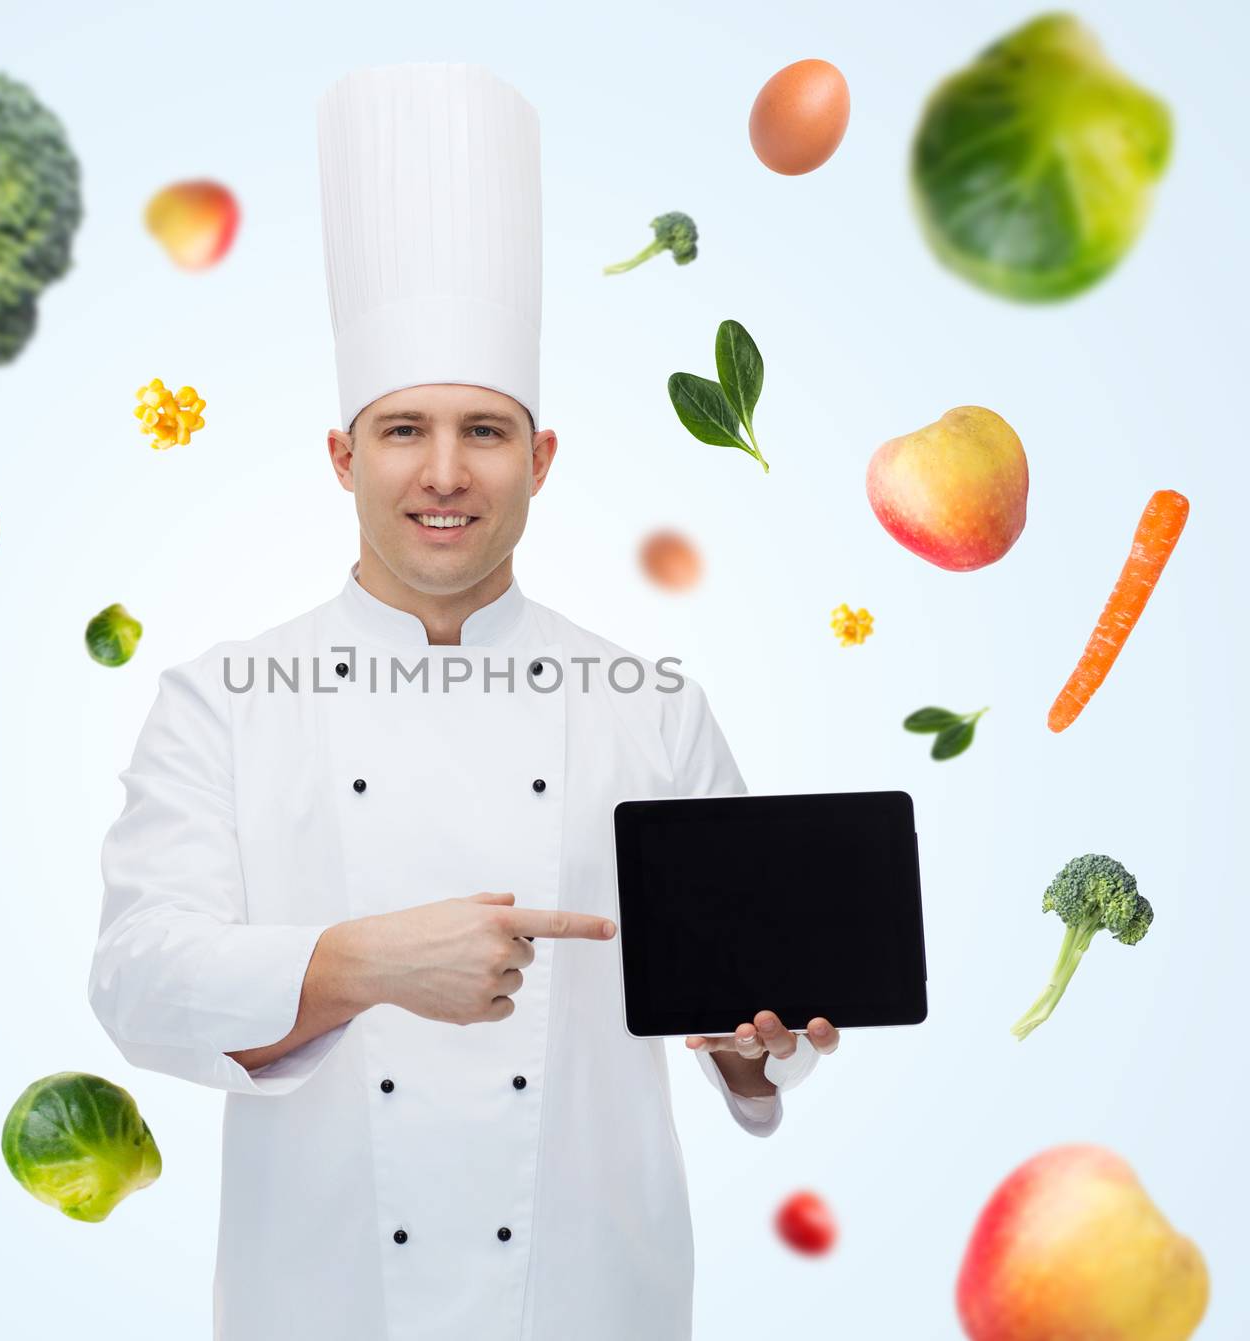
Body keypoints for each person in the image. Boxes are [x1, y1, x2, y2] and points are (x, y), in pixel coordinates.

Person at [88, 63, 839, 1341]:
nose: (445, 475)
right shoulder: (221, 700)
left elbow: (755, 1015)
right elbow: (136, 983)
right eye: (402, 431)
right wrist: (360, 962)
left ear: (541, 459)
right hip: (320, 1301)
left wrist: (757, 1043)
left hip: (591, 1295)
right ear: (342, 456)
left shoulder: (648, 704)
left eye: (486, 432)